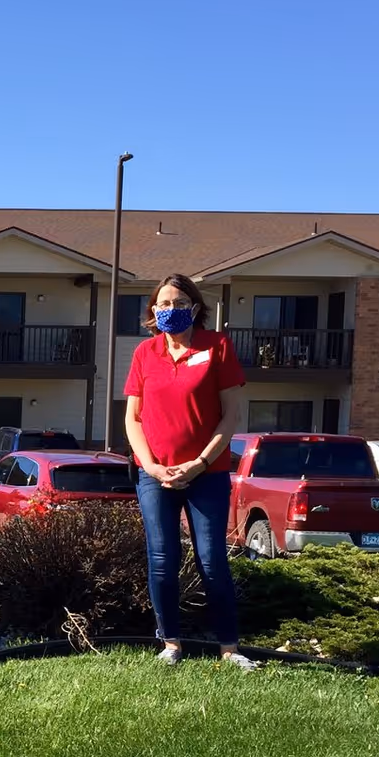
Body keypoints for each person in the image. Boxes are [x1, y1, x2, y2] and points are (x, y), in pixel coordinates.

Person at [122, 274, 257, 670]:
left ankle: (230, 649)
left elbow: (230, 415)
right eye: (163, 304)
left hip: (208, 473)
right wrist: (152, 466)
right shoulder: (145, 353)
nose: (170, 310)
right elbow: (133, 418)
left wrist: (198, 464)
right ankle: (171, 644)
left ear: (195, 308)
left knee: (212, 559)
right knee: (162, 557)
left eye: (179, 303)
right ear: (152, 311)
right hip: (155, 475)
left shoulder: (218, 347)